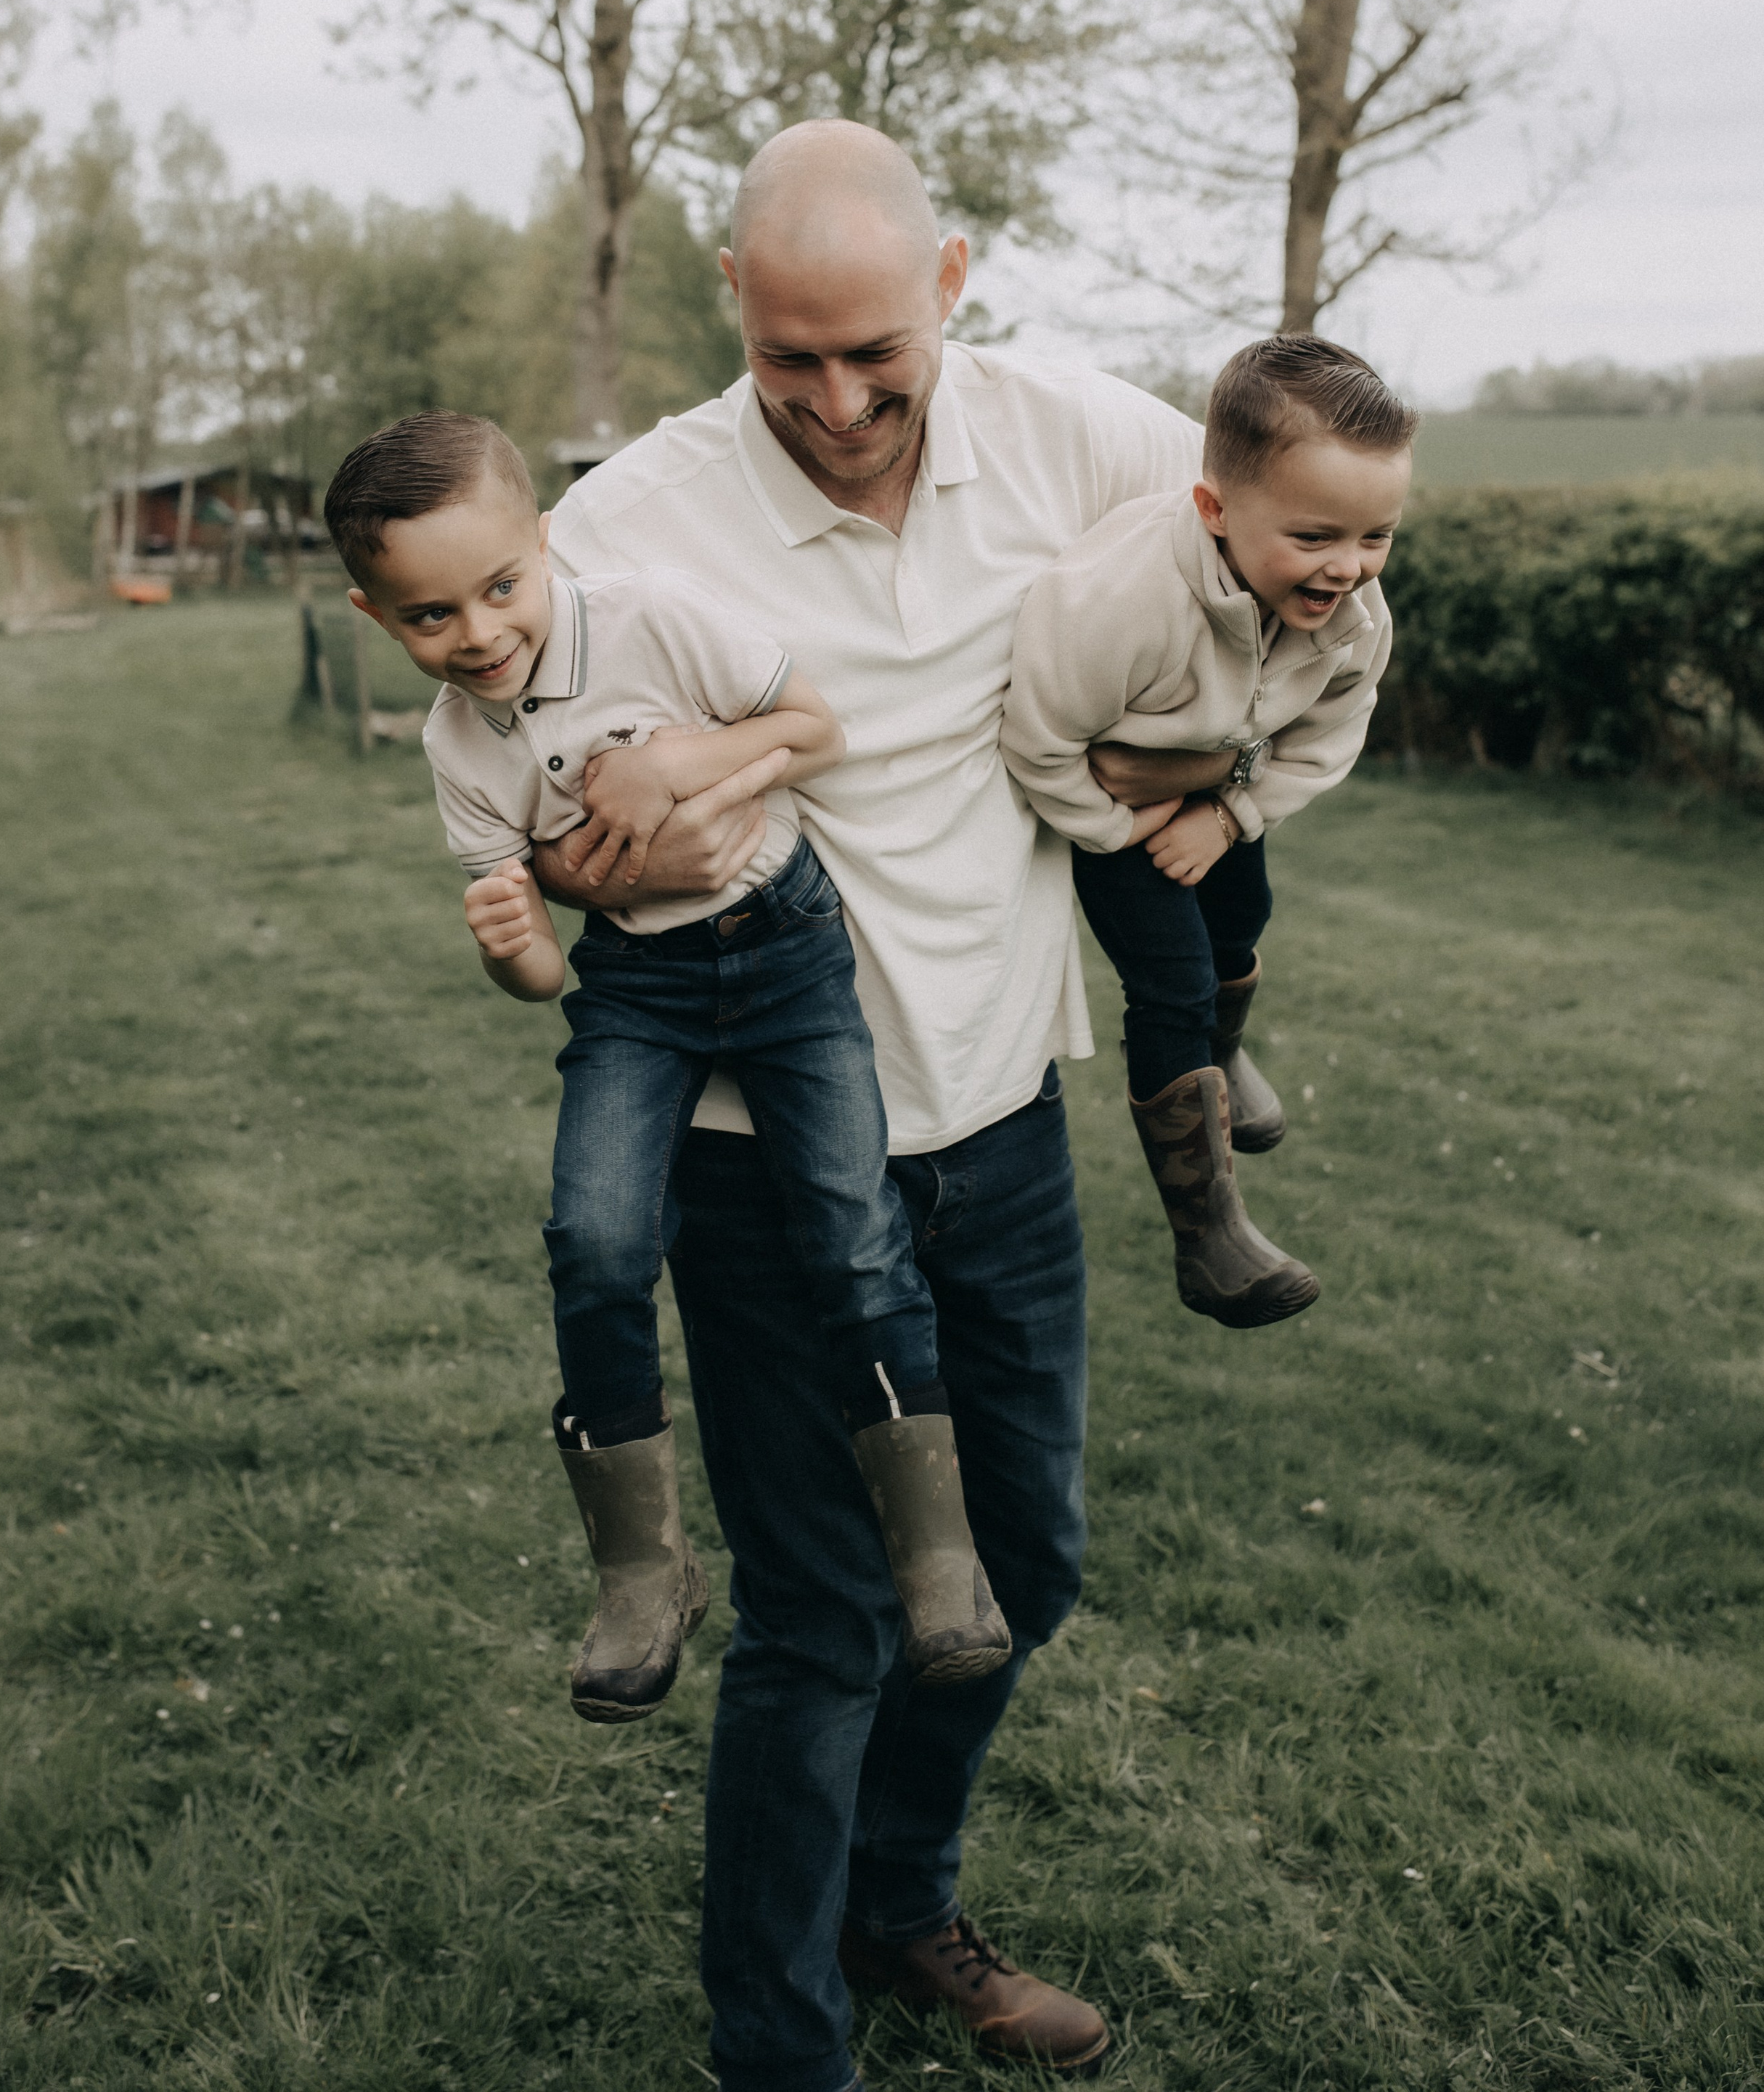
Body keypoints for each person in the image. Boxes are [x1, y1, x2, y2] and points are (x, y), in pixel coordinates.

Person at [534, 118, 1204, 2092]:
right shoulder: (628, 521)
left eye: (875, 357)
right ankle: (782, 2048)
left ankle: (896, 1904)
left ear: (956, 283)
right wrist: (593, 850)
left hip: (997, 1130)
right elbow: (529, 793)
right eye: (789, 356)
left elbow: (1301, 532)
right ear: (731, 302)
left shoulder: (1078, 439)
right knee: (827, 1624)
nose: (834, 402)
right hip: (761, 1162)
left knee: (1030, 1564)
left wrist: (1233, 776)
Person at [323, 411, 1010, 1724]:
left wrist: (670, 762)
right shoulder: (458, 749)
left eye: (501, 586)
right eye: (427, 616)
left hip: (788, 953)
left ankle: (936, 1553)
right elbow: (538, 984)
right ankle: (641, 1570)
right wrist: (512, 945)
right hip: (636, 990)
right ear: (373, 613)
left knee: (856, 1233)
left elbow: (815, 729)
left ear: (544, 542)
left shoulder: (652, 618)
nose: (475, 634)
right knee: (591, 1237)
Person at [1002, 334, 1415, 1329]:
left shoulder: (1355, 618)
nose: (1349, 568)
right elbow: (1040, 738)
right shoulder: (1116, 600)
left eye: (1377, 537)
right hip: (1112, 820)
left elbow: (1332, 731)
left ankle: (1224, 1061)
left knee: (1244, 918)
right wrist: (1121, 825)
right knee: (1174, 982)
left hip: (1227, 789)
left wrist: (1229, 814)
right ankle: (1210, 1231)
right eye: (1316, 537)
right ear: (1215, 509)